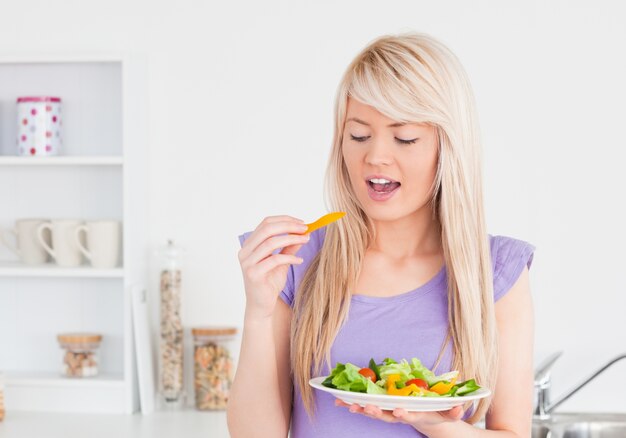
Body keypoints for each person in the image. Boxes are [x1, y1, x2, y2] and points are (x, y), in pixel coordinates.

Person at [228, 32, 535, 438]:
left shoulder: (496, 271)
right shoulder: (300, 260)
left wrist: (430, 423)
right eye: (358, 135)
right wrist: (258, 314)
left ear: (448, 147)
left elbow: (512, 432)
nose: (375, 156)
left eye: (404, 137)